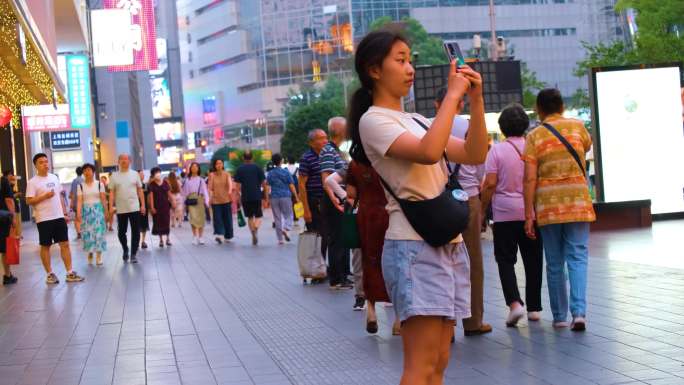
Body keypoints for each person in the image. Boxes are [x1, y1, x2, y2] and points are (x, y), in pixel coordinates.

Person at [350, 30, 487, 384]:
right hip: (414, 248)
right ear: (374, 70)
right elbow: (428, 152)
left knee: (439, 361)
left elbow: (475, 154)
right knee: (420, 365)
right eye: (400, 60)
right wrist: (453, 96)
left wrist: (475, 99)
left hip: (445, 244)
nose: (410, 68)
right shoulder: (374, 120)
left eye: (410, 59)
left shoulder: (419, 120)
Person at [523, 88, 596, 332]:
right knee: (577, 256)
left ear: (539, 109)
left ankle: (560, 317)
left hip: (548, 205)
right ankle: (579, 313)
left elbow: (529, 179)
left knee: (554, 261)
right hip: (577, 200)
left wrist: (528, 214)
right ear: (562, 106)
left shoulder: (534, 136)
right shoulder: (577, 127)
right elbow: (585, 148)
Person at [434, 88, 492, 336]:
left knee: (441, 260)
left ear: (438, 103)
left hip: (438, 202)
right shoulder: (470, 126)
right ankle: (473, 321)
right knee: (472, 263)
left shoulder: (429, 125)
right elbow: (482, 169)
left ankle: (446, 323)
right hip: (468, 199)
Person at [480, 104, 543, 327]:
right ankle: (534, 308)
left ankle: (515, 304)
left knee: (505, 260)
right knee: (533, 258)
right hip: (531, 212)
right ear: (526, 125)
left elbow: (489, 184)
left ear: (502, 127)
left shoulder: (496, 151)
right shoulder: (532, 147)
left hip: (504, 214)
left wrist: (481, 210)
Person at [26, 153, 85, 283]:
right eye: (41, 162)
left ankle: (70, 273)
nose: (45, 164)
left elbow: (59, 197)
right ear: (35, 165)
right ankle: (49, 274)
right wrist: (44, 197)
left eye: (46, 161)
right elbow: (28, 201)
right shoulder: (32, 182)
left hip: (58, 217)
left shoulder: (54, 178)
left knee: (65, 244)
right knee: (46, 246)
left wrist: (64, 213)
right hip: (43, 218)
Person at [320, 117, 353, 290]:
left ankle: (343, 275)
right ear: (339, 130)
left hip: (341, 200)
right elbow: (326, 178)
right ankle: (336, 278)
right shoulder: (328, 150)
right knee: (337, 239)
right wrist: (335, 199)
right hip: (335, 201)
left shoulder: (337, 150)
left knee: (343, 238)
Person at [109, 154, 146, 263]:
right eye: (121, 159)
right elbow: (111, 193)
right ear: (118, 161)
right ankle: (125, 249)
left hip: (134, 207)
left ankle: (133, 253)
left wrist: (143, 205)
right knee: (121, 232)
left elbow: (140, 190)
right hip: (121, 209)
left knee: (136, 231)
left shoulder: (135, 174)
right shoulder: (114, 176)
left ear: (130, 161)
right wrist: (111, 206)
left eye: (126, 159)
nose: (124, 161)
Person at [298, 129, 328, 257]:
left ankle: (322, 268)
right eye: (320, 138)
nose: (325, 141)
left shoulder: (328, 156)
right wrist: (306, 210)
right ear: (311, 143)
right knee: (317, 236)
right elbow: (301, 185)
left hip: (327, 201)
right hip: (314, 201)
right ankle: (316, 270)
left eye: (325, 137)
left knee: (326, 235)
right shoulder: (306, 158)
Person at [75, 163, 108, 265]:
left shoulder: (99, 184)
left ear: (93, 172)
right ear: (83, 173)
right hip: (86, 212)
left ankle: (99, 256)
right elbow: (80, 201)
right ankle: (90, 252)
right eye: (85, 170)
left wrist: (106, 212)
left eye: (89, 170)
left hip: (98, 211)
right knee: (88, 234)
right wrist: (78, 213)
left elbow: (103, 199)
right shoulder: (80, 186)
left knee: (99, 234)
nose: (87, 172)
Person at [234, 151, 267, 245]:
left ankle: (252, 231)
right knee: (259, 216)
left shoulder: (240, 169)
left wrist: (237, 196)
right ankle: (256, 228)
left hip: (245, 196)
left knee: (249, 217)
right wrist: (265, 196)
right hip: (257, 195)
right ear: (252, 158)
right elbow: (264, 183)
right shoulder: (257, 168)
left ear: (243, 159)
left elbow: (237, 185)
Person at [266, 154, 298, 245]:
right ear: (281, 161)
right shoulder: (285, 172)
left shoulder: (270, 173)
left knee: (277, 218)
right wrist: (296, 196)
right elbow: (291, 185)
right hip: (285, 196)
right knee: (289, 214)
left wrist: (267, 198)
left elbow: (267, 186)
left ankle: (280, 239)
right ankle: (286, 228)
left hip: (274, 197)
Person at [182, 162, 210, 245]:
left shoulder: (201, 179)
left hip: (199, 200)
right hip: (191, 200)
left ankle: (201, 236)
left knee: (201, 218)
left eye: (196, 167)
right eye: (193, 167)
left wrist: (207, 201)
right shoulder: (187, 180)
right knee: (193, 218)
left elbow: (205, 191)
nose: (194, 168)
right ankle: (194, 236)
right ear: (190, 169)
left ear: (198, 169)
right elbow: (184, 192)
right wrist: (183, 202)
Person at [208, 158, 234, 244]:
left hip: (226, 199)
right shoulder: (212, 175)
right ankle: (220, 235)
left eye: (220, 163)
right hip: (216, 201)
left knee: (227, 219)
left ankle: (228, 236)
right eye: (217, 164)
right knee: (217, 219)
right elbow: (210, 188)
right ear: (215, 165)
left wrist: (230, 192)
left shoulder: (227, 174)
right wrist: (210, 197)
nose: (219, 165)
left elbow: (230, 185)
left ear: (223, 165)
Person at [148, 167, 173, 247]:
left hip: (165, 206)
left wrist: (173, 201)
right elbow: (151, 197)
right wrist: (152, 207)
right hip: (157, 207)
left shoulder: (165, 182)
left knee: (166, 221)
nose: (158, 174)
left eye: (159, 172)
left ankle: (168, 239)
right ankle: (161, 240)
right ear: (153, 175)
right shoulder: (151, 185)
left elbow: (169, 194)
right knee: (158, 223)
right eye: (156, 173)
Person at [0, 171, 17, 284]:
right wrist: (13, 218)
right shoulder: (2, 181)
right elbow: (9, 200)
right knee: (4, 248)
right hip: (2, 218)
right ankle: (7, 275)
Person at [68, 166, 84, 239]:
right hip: (84, 202)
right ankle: (83, 231)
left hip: (76, 202)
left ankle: (78, 232)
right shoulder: (84, 180)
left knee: (77, 218)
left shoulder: (74, 181)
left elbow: (72, 193)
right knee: (83, 217)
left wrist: (71, 203)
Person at [138, 170, 150, 249]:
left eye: (142, 174)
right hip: (135, 207)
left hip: (144, 207)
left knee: (144, 224)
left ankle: (143, 241)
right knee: (136, 225)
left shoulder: (145, 185)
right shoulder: (134, 186)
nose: (142, 176)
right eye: (140, 174)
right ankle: (137, 241)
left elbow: (148, 196)